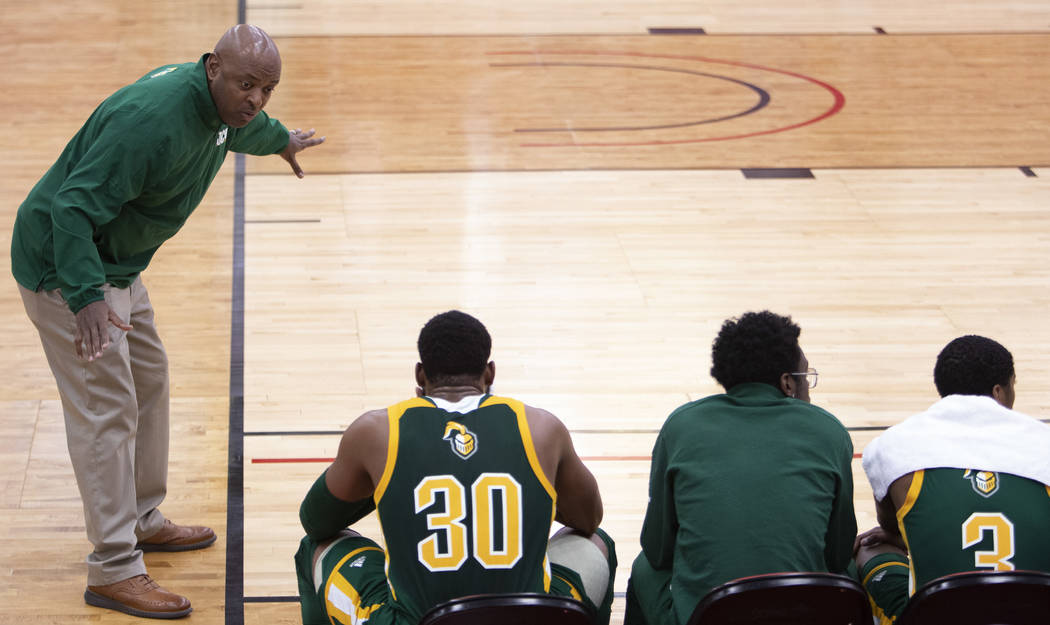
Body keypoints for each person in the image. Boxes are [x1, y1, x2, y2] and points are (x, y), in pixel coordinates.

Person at [11, 24, 325, 619]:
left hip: (117, 263)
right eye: (247, 84)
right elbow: (70, 206)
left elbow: (245, 126)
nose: (256, 98)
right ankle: (113, 568)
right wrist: (85, 300)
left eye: (268, 88)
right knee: (105, 409)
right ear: (212, 68)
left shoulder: (221, 110)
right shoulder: (152, 122)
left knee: (149, 382)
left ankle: (141, 519)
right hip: (66, 265)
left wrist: (280, 140)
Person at [294, 310, 617, 625]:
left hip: (416, 620)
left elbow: (316, 521)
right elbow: (589, 519)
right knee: (596, 542)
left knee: (318, 547)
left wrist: (383, 483)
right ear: (489, 374)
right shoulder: (541, 427)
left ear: (420, 375)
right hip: (526, 618)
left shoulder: (376, 431)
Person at [624, 310, 857, 625]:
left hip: (706, 615)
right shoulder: (830, 432)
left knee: (643, 567)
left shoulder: (682, 426)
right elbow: (838, 553)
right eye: (805, 378)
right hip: (803, 612)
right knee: (854, 568)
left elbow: (657, 549)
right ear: (788, 383)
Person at [856, 335, 1050, 623]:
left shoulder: (893, 445)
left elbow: (890, 526)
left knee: (870, 548)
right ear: (999, 391)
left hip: (936, 615)